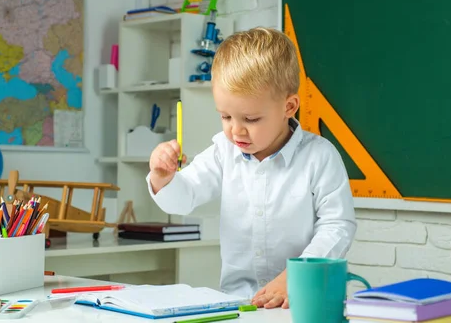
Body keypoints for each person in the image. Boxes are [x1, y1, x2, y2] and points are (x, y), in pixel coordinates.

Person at [146, 27, 356, 309]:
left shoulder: (319, 156)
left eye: (252, 119)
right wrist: (163, 177)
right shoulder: (224, 150)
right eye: (225, 116)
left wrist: (295, 276)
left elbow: (337, 226)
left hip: (303, 301)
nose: (236, 131)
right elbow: (184, 198)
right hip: (238, 303)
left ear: (289, 107)